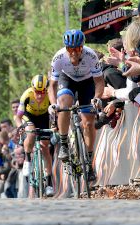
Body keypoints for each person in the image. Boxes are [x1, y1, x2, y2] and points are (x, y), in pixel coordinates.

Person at [48, 29, 105, 182]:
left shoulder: (91, 56)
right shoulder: (59, 58)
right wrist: (53, 104)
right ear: (65, 48)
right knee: (64, 103)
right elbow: (52, 85)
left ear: (82, 47)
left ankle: (89, 162)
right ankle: (64, 143)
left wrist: (96, 98)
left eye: (77, 48)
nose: (73, 52)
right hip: (67, 80)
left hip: (87, 83)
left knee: (88, 123)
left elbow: (99, 82)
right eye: (70, 49)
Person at [14, 74, 54, 197]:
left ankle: (49, 184)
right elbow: (17, 117)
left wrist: (55, 126)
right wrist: (20, 126)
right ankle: (27, 159)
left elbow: (55, 115)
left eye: (43, 92)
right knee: (30, 132)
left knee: (45, 148)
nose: (40, 95)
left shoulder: (50, 95)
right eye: (37, 92)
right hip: (29, 116)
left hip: (44, 117)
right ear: (32, 89)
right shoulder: (27, 95)